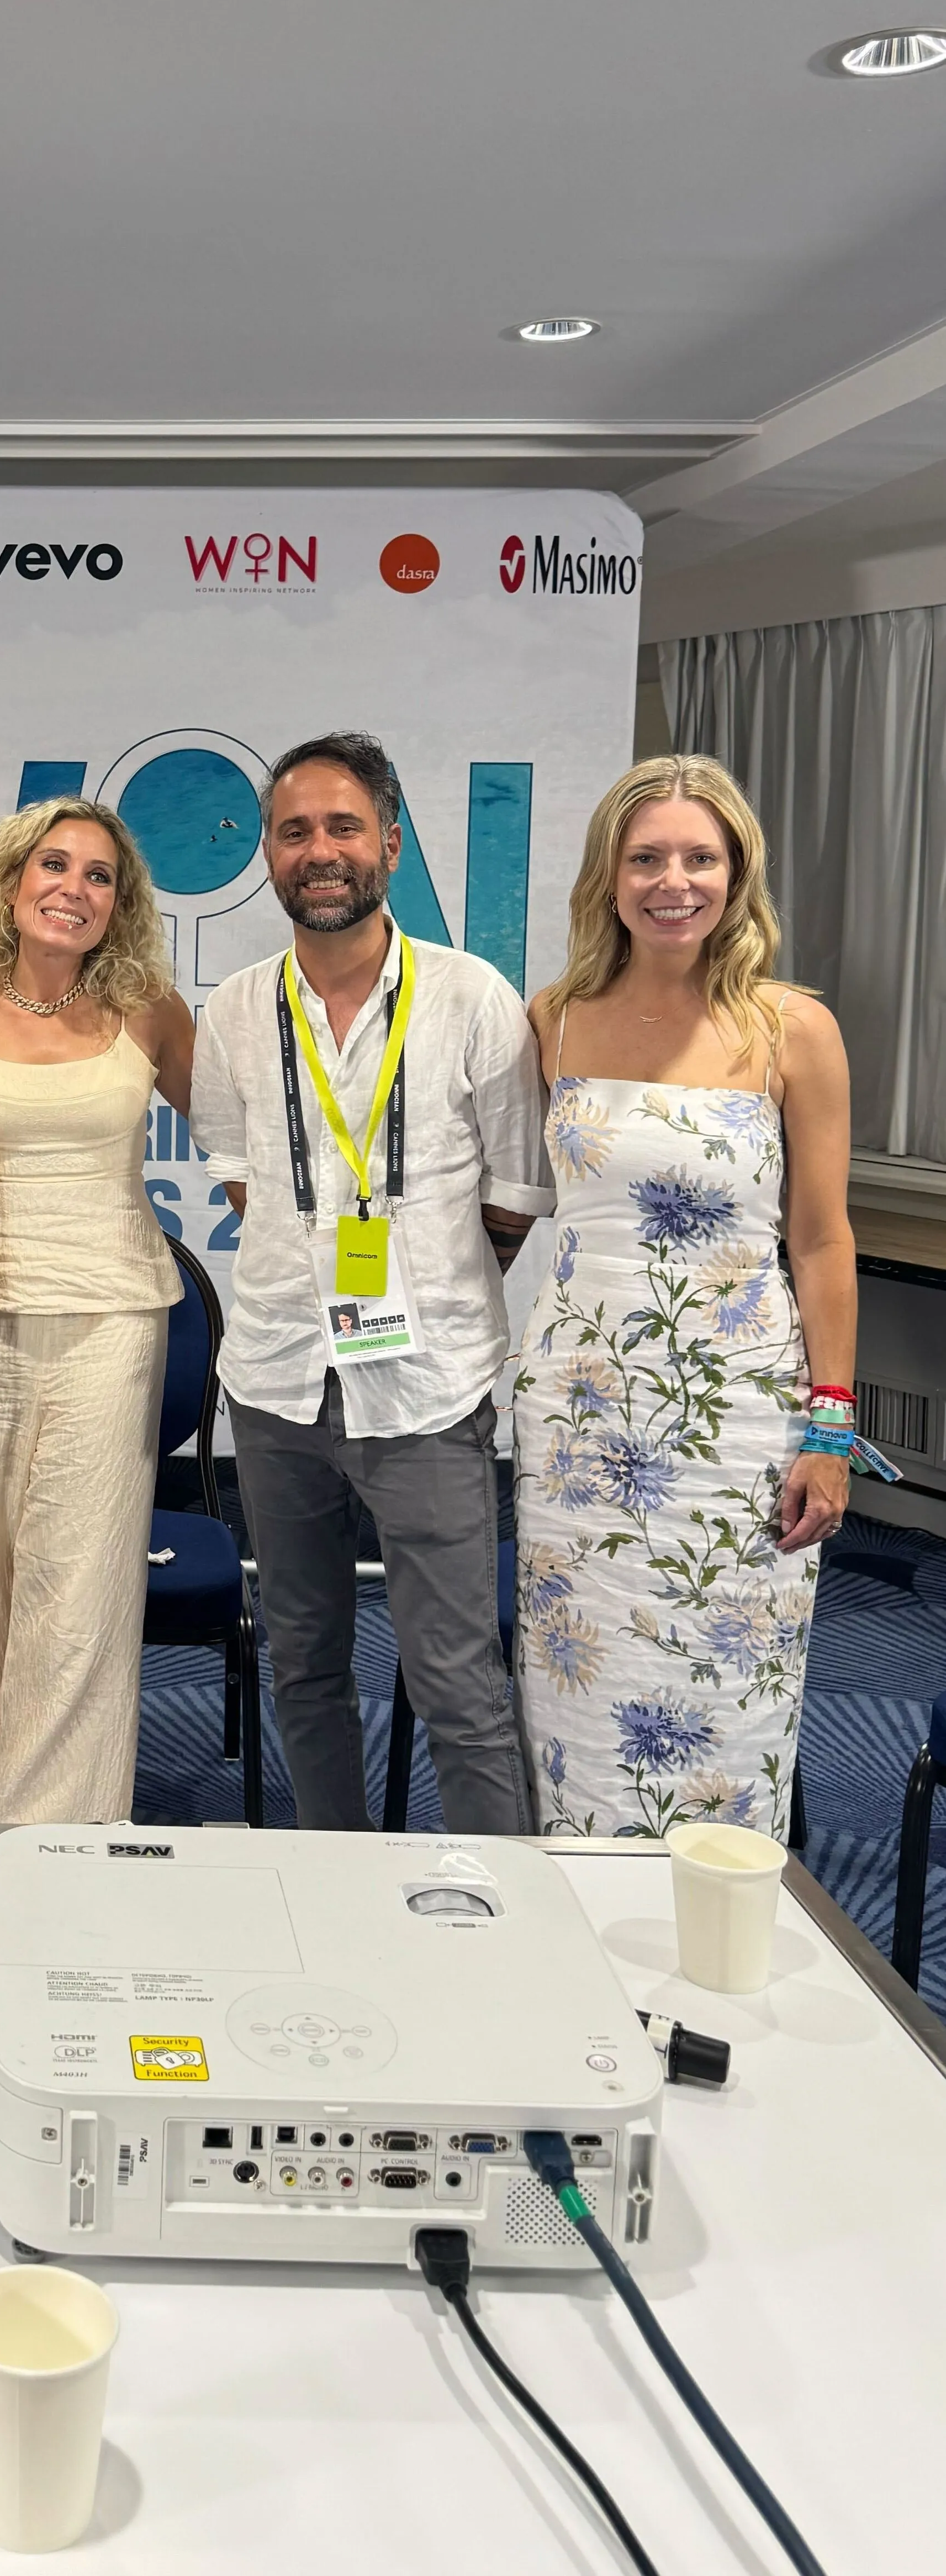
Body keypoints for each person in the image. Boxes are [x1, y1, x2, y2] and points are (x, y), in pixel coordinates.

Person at [191, 730, 549, 1835]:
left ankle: (516, 1918)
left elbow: (510, 1196)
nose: (320, 850)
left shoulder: (471, 998)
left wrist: (422, 1291)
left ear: (389, 843)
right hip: (277, 1386)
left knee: (456, 1680)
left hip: (427, 1391)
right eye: (294, 831)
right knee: (302, 1661)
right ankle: (339, 1885)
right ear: (267, 854)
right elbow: (249, 1187)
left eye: (343, 826)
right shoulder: (236, 1010)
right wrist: (336, 1276)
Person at [514, 757, 855, 1840]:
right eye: (646, 858)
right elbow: (539, 1205)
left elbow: (821, 1239)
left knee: (730, 1702)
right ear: (607, 878)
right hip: (579, 1427)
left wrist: (831, 1429)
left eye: (699, 858)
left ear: (736, 873)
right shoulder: (553, 1021)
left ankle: (717, 1948)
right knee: (580, 1692)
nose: (674, 881)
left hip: (738, 1422)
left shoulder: (791, 1029)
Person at [0, 798, 194, 1820]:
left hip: (113, 1324)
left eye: (99, 877)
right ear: (10, 884)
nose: (73, 890)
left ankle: (54, 1841)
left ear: (118, 906)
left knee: (77, 1590)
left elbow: (251, 1144)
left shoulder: (150, 1012)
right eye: (54, 866)